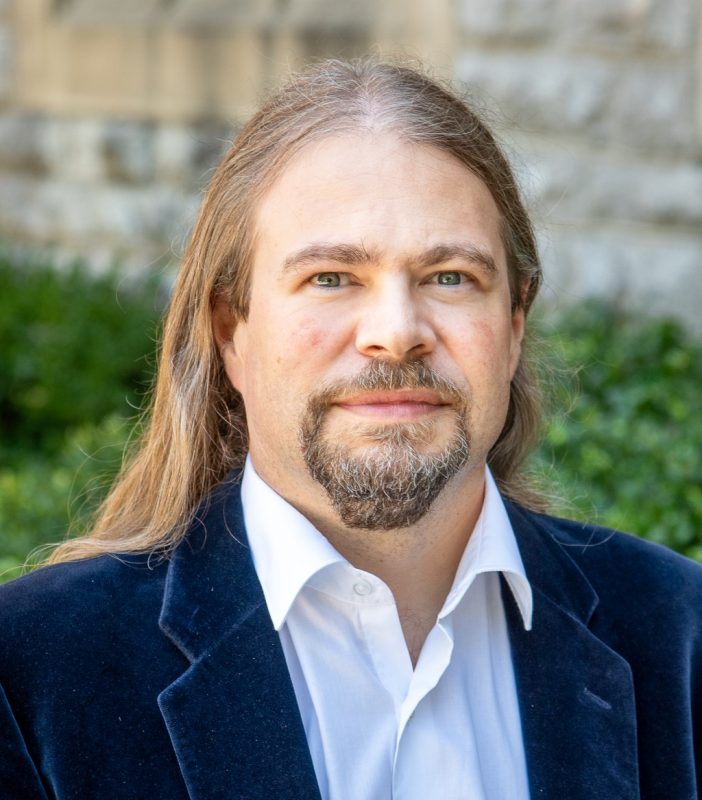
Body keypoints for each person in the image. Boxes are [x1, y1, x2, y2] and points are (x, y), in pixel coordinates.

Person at [0, 58, 700, 800]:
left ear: (515, 324)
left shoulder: (680, 642)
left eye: (450, 277)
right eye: (331, 278)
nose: (396, 333)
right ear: (230, 330)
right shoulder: (33, 676)